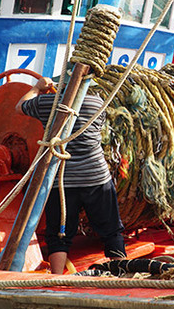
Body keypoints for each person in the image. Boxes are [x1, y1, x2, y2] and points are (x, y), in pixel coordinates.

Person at [16, 77, 126, 274]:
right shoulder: (97, 103)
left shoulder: (45, 104)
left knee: (58, 234)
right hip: (96, 177)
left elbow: (19, 107)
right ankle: (120, 274)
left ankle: (57, 278)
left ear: (63, 84)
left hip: (61, 180)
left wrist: (38, 88)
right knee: (111, 230)